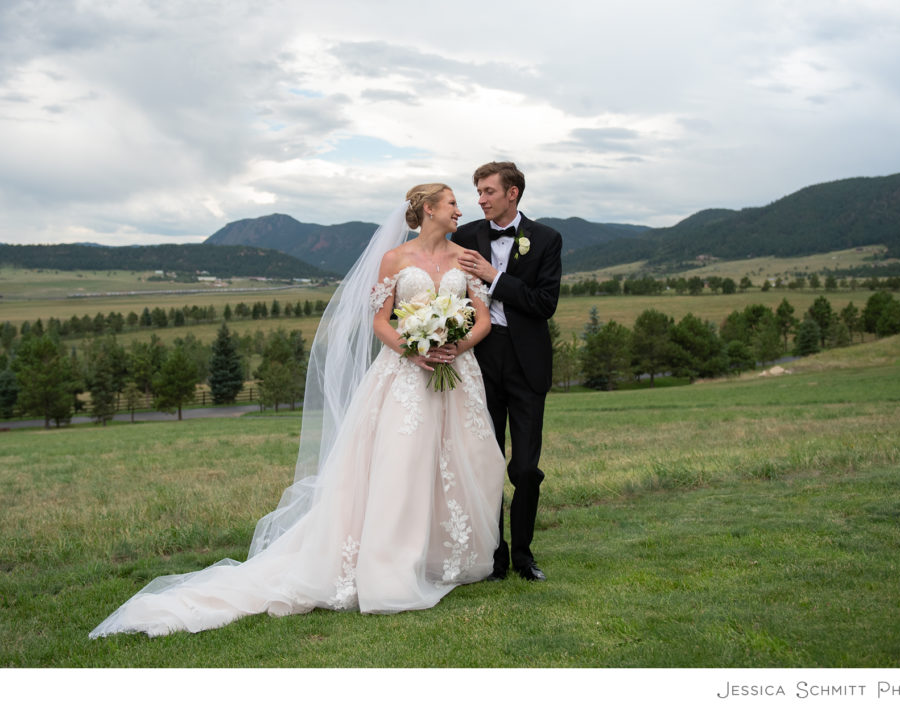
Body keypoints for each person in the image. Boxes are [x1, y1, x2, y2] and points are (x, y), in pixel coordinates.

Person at [90, 184, 505, 637]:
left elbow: (482, 318)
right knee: (402, 466)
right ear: (428, 209)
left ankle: (444, 556)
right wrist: (413, 348)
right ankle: (391, 565)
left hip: (456, 374)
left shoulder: (465, 258)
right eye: (452, 204)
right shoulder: (395, 259)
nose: (460, 210)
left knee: (462, 460)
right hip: (407, 376)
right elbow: (380, 320)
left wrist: (454, 346)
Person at [454, 162, 562, 581]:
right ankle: (494, 559)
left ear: (512, 193)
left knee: (525, 468)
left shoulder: (547, 239)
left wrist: (494, 277)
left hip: (527, 363)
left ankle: (524, 555)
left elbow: (544, 303)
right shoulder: (465, 237)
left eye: (488, 191)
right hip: (479, 359)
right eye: (478, 192)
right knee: (487, 462)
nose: (480, 199)